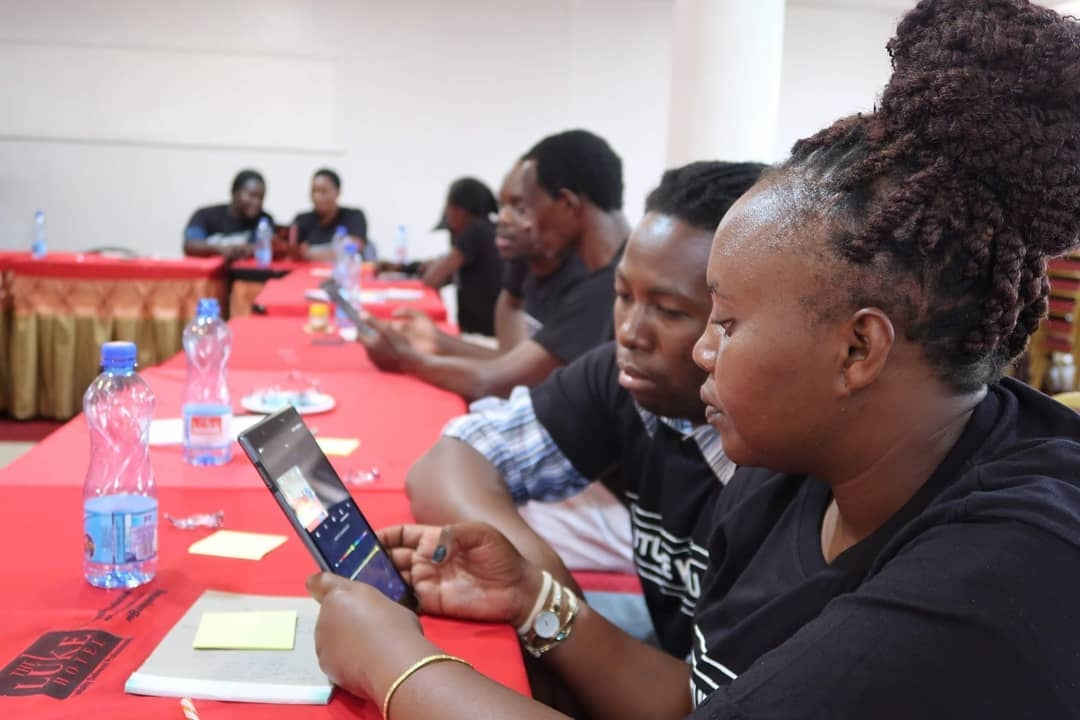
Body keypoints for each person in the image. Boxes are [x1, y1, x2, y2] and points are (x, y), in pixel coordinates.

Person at [307, 1, 1080, 718]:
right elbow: (695, 696)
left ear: (858, 349)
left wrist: (394, 664)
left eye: (729, 322)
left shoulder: (1000, 565)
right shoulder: (795, 468)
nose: (703, 350)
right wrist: (532, 599)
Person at [406, 161, 765, 656]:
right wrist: (537, 584)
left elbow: (700, 698)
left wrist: (540, 604)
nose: (631, 332)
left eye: (669, 310)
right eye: (622, 295)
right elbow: (450, 460)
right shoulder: (624, 380)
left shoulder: (776, 465)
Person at [357, 130, 630, 401]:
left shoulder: (603, 289)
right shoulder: (575, 272)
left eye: (525, 207)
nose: (523, 223)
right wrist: (433, 344)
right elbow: (510, 361)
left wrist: (407, 358)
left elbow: (492, 381)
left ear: (567, 204)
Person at [392, 159, 585, 359]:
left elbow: (509, 367)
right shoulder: (516, 266)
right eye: (502, 207)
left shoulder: (478, 232)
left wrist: (434, 343)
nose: (504, 218)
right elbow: (509, 361)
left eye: (520, 208)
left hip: (484, 339)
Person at [413, 177, 504, 336]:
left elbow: (432, 279)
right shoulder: (488, 231)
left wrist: (440, 262)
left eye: (447, 208)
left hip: (482, 338)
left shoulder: (476, 232)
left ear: (458, 210)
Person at [183, 169, 275, 259]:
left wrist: (248, 249)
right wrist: (219, 249)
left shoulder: (264, 221)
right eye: (252, 195)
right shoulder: (204, 215)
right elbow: (190, 246)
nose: (257, 202)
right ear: (234, 192)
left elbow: (266, 248)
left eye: (261, 197)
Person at [289, 168, 374, 261]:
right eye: (313, 191)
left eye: (323, 192)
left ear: (337, 192)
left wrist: (309, 254)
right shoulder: (302, 219)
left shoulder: (353, 216)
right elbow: (293, 251)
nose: (316, 197)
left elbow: (351, 249)